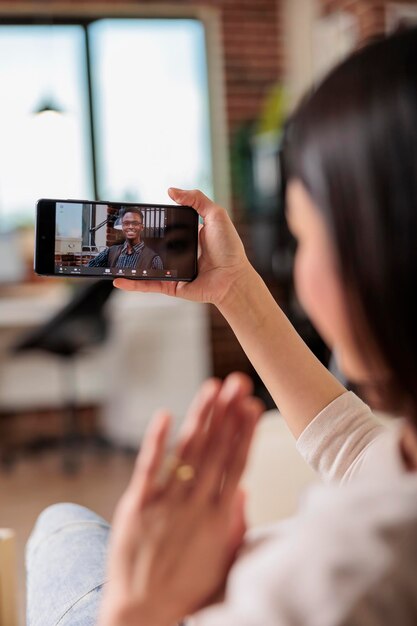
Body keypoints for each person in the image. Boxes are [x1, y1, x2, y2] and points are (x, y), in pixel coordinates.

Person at [26, 27, 417, 626]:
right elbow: (361, 454)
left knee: (61, 527)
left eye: (304, 236)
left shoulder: (338, 581)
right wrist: (234, 289)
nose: (296, 263)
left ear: (381, 259)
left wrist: (140, 605)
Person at [88, 207, 163, 271]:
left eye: (135, 223)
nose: (130, 226)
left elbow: (158, 285)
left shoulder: (154, 259)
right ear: (122, 227)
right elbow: (88, 269)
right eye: (126, 223)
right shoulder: (110, 251)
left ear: (142, 227)